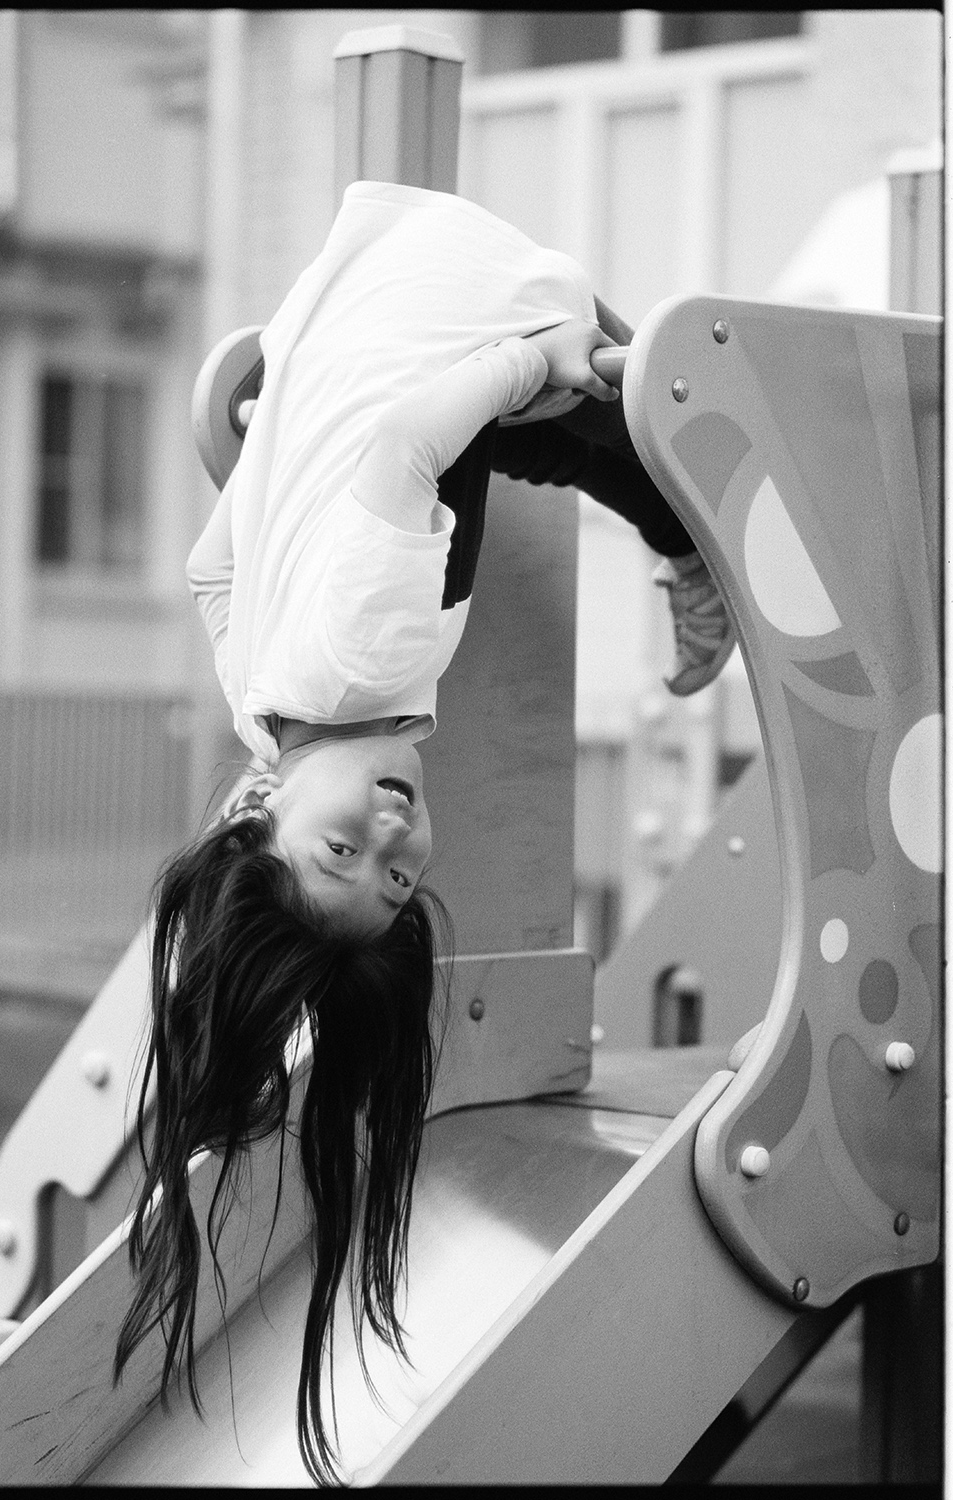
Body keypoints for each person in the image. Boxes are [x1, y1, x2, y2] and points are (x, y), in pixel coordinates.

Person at [113, 180, 733, 1484]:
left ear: (256, 814)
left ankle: (687, 534)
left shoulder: (366, 661)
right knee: (491, 462)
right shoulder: (264, 698)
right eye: (398, 883)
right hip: (346, 297)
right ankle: (623, 456)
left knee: (590, 410)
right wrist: (283, 434)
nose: (394, 838)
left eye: (343, 853)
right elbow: (211, 569)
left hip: (461, 292)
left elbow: (403, 446)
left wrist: (534, 359)